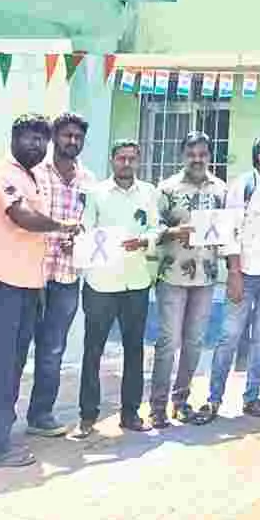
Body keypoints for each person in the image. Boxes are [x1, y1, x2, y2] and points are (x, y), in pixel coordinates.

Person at [0, 114, 79, 466]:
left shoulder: (31, 178)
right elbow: (21, 216)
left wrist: (61, 236)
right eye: (30, 138)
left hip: (28, 285)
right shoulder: (0, 173)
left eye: (41, 139)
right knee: (0, 366)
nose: (37, 145)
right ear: (14, 139)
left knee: (13, 365)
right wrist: (61, 225)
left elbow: (37, 230)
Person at [201, 134, 260, 422]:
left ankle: (252, 397)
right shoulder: (243, 185)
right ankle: (213, 399)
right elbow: (230, 231)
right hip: (245, 271)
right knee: (229, 336)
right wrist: (233, 272)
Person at [75, 139, 159, 439]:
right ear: (112, 160)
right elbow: (85, 231)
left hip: (136, 282)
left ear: (138, 161)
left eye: (131, 159)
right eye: (121, 158)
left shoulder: (149, 192)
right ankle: (87, 415)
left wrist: (145, 240)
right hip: (101, 283)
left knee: (134, 349)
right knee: (93, 350)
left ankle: (130, 413)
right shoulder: (96, 193)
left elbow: (156, 228)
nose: (126, 163)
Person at [151, 132, 227, 429]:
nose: (197, 159)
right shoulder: (168, 188)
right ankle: (157, 407)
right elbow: (153, 227)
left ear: (209, 156)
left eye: (202, 154)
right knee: (168, 342)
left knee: (194, 343)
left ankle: (181, 402)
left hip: (205, 277)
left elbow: (228, 230)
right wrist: (174, 232)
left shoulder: (220, 189)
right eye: (191, 154)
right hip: (172, 275)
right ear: (182, 156)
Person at [27, 112, 94, 438]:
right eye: (67, 135)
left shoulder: (88, 180)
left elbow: (91, 225)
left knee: (52, 349)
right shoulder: (35, 173)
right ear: (55, 138)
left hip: (67, 276)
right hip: (30, 273)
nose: (72, 141)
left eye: (78, 137)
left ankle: (40, 415)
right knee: (17, 346)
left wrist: (79, 241)